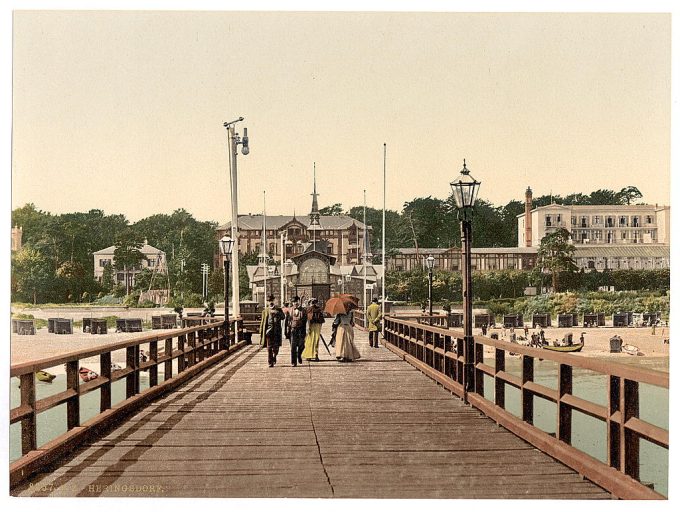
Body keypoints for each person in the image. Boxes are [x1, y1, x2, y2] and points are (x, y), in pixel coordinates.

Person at [259, 294, 285, 368]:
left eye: (271, 300)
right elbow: (263, 322)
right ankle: (270, 362)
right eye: (269, 301)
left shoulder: (279, 309)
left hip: (276, 332)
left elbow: (283, 317)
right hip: (269, 332)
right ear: (267, 302)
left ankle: (274, 356)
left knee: (276, 348)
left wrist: (277, 312)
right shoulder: (265, 311)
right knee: (269, 347)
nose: (270, 302)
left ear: (274, 301)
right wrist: (261, 331)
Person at [289, 296, 307, 367]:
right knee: (293, 347)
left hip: (301, 329)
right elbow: (288, 320)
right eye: (294, 302)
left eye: (296, 301)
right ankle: (294, 362)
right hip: (293, 330)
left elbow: (305, 320)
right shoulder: (290, 310)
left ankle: (299, 355)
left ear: (299, 302)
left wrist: (305, 330)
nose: (295, 303)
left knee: (301, 345)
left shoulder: (303, 310)